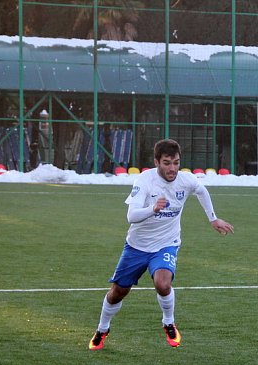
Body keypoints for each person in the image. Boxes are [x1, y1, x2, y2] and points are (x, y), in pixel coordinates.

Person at [89, 138, 234, 351]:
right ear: (156, 162)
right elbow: (131, 216)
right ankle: (102, 329)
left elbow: (201, 190)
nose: (172, 168)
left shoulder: (186, 180)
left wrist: (213, 218)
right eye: (167, 163)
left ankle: (168, 322)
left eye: (176, 162)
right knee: (118, 291)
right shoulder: (144, 181)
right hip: (137, 246)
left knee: (163, 284)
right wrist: (153, 209)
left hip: (167, 243)